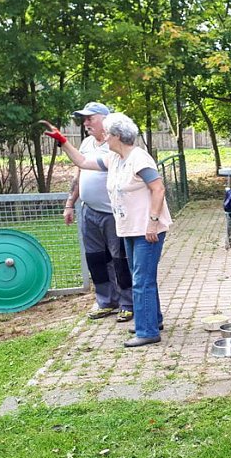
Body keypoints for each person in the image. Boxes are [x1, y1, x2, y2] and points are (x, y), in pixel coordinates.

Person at [41, 113, 172, 348]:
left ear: (118, 136)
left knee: (141, 279)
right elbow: (81, 162)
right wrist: (62, 140)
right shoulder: (115, 159)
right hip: (130, 228)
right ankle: (153, 320)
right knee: (141, 277)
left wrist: (153, 222)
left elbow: (158, 188)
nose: (105, 137)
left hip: (147, 229)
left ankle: (147, 331)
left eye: (109, 134)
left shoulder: (138, 159)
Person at [65, 102, 134, 323]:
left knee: (119, 258)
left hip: (113, 214)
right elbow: (79, 173)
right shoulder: (86, 143)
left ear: (106, 119)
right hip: (89, 211)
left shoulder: (117, 144)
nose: (85, 123)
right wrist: (70, 203)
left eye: (90, 118)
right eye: (83, 119)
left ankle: (127, 302)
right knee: (95, 258)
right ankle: (106, 301)